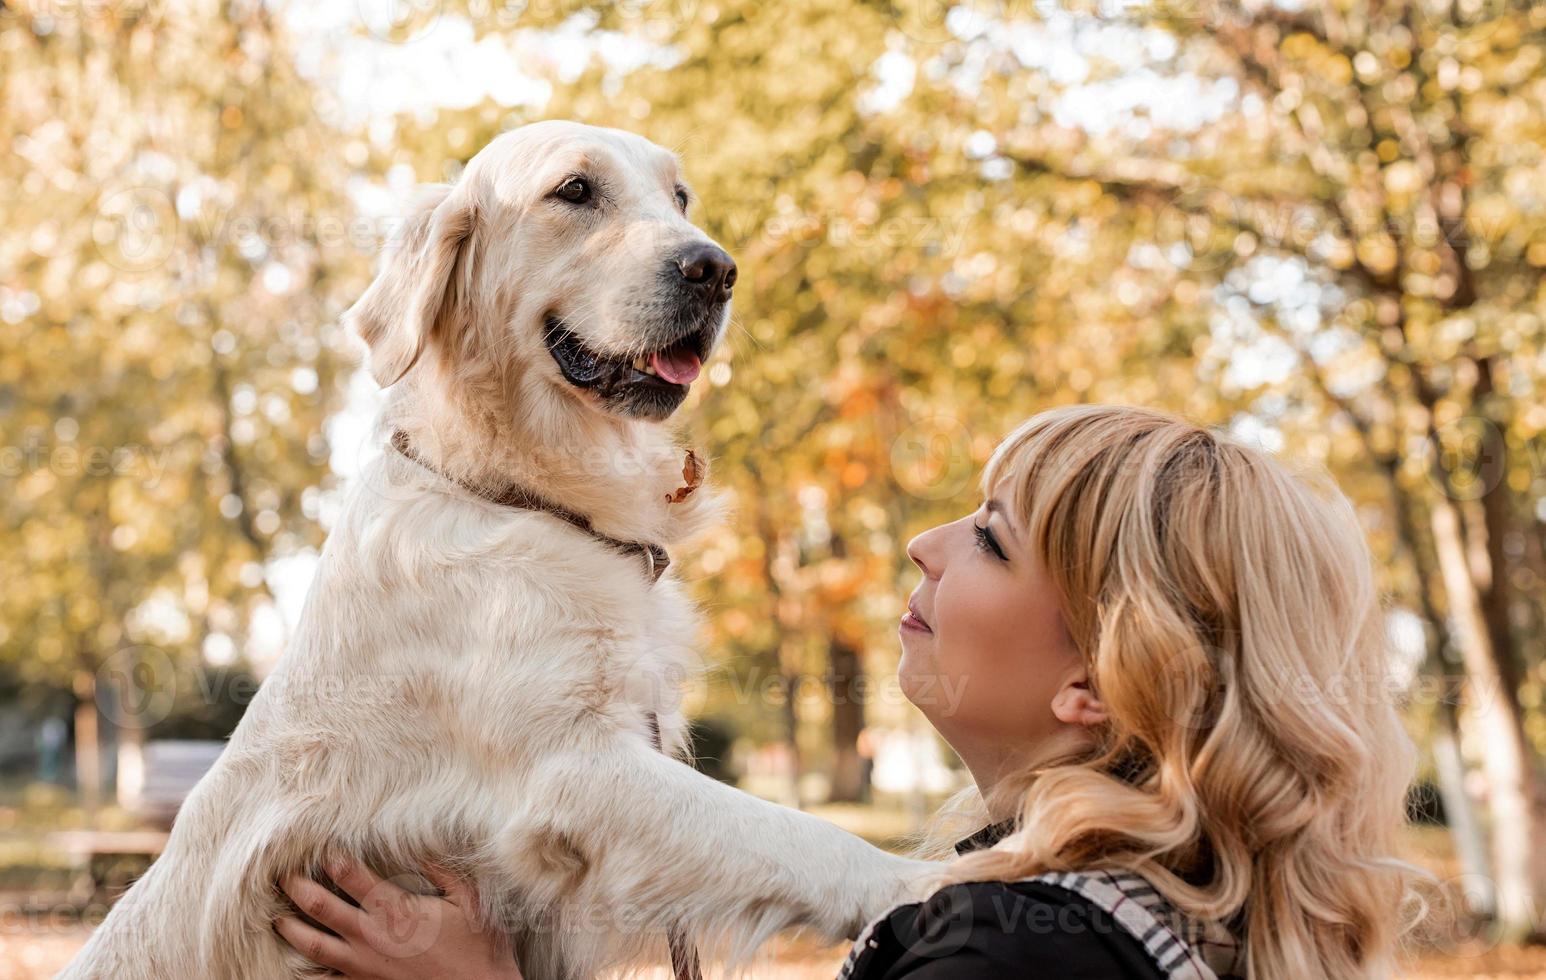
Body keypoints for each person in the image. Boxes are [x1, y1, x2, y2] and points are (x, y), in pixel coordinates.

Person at [274, 405, 1420, 979]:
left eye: (991, 538)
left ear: (1097, 678)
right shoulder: (1159, 918)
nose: (926, 542)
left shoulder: (1005, 956)